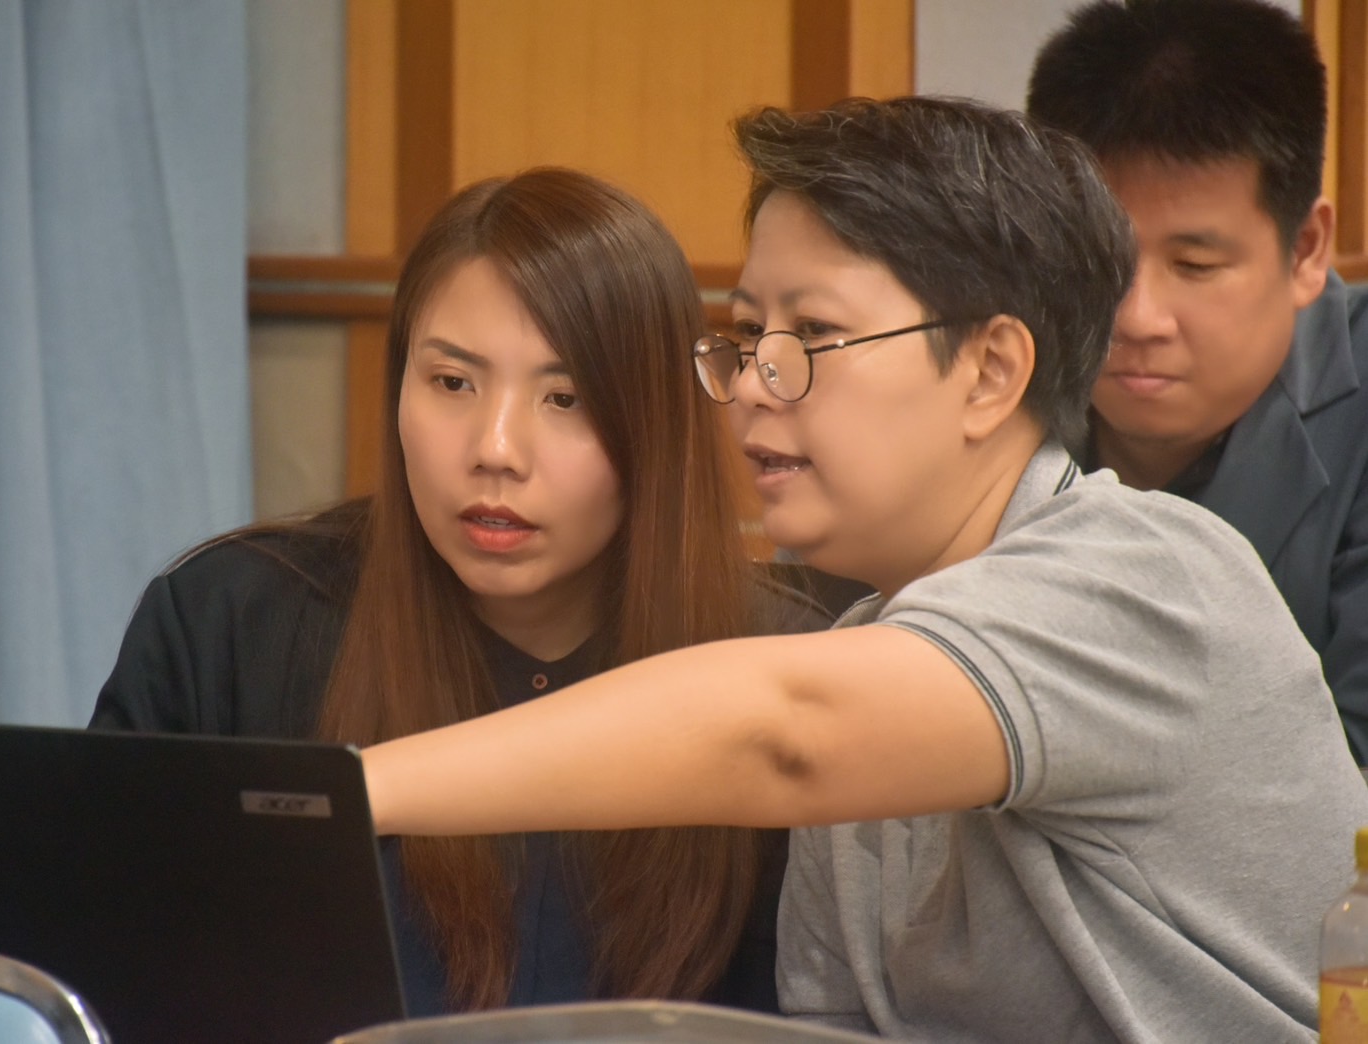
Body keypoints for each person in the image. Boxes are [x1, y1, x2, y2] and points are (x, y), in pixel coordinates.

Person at [360, 98, 1368, 1041]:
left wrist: (359, 788)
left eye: (814, 335)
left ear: (990, 372)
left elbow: (784, 730)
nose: (756, 385)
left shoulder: (1148, 577)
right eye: (749, 334)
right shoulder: (865, 651)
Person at [89, 168, 828, 1016]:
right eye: (452, 383)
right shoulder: (229, 621)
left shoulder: (787, 667)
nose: (496, 449)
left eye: (565, 397)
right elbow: (101, 973)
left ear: (655, 426)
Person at [1027, 0, 1368, 761]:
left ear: (1306, 250)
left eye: (1195, 265)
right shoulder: (984, 375)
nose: (1137, 318)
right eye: (1099, 262)